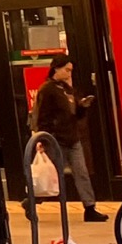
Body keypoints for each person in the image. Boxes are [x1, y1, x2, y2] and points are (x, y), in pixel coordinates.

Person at [31, 62, 105, 222]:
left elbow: (74, 114)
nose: (70, 73)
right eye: (67, 69)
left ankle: (90, 208)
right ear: (56, 69)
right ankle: (30, 201)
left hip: (72, 137)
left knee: (82, 173)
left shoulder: (67, 89)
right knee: (52, 175)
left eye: (71, 69)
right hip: (57, 139)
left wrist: (82, 106)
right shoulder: (47, 89)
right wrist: (42, 138)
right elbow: (42, 115)